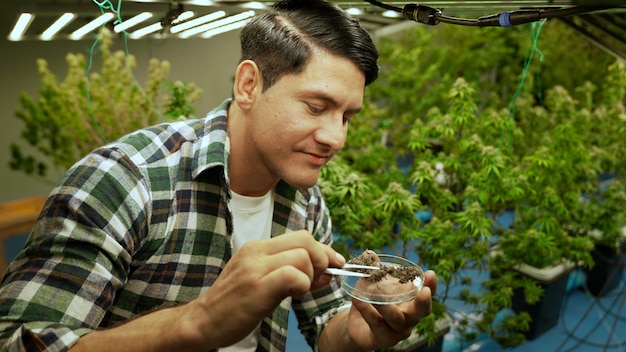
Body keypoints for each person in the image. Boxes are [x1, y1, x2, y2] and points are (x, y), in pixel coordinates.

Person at [0, 0, 438, 351]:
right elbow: (18, 340)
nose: (335, 137)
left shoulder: (306, 202)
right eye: (316, 107)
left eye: (347, 116)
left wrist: (357, 335)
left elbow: (325, 323)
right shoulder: (124, 181)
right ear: (248, 85)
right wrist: (195, 323)